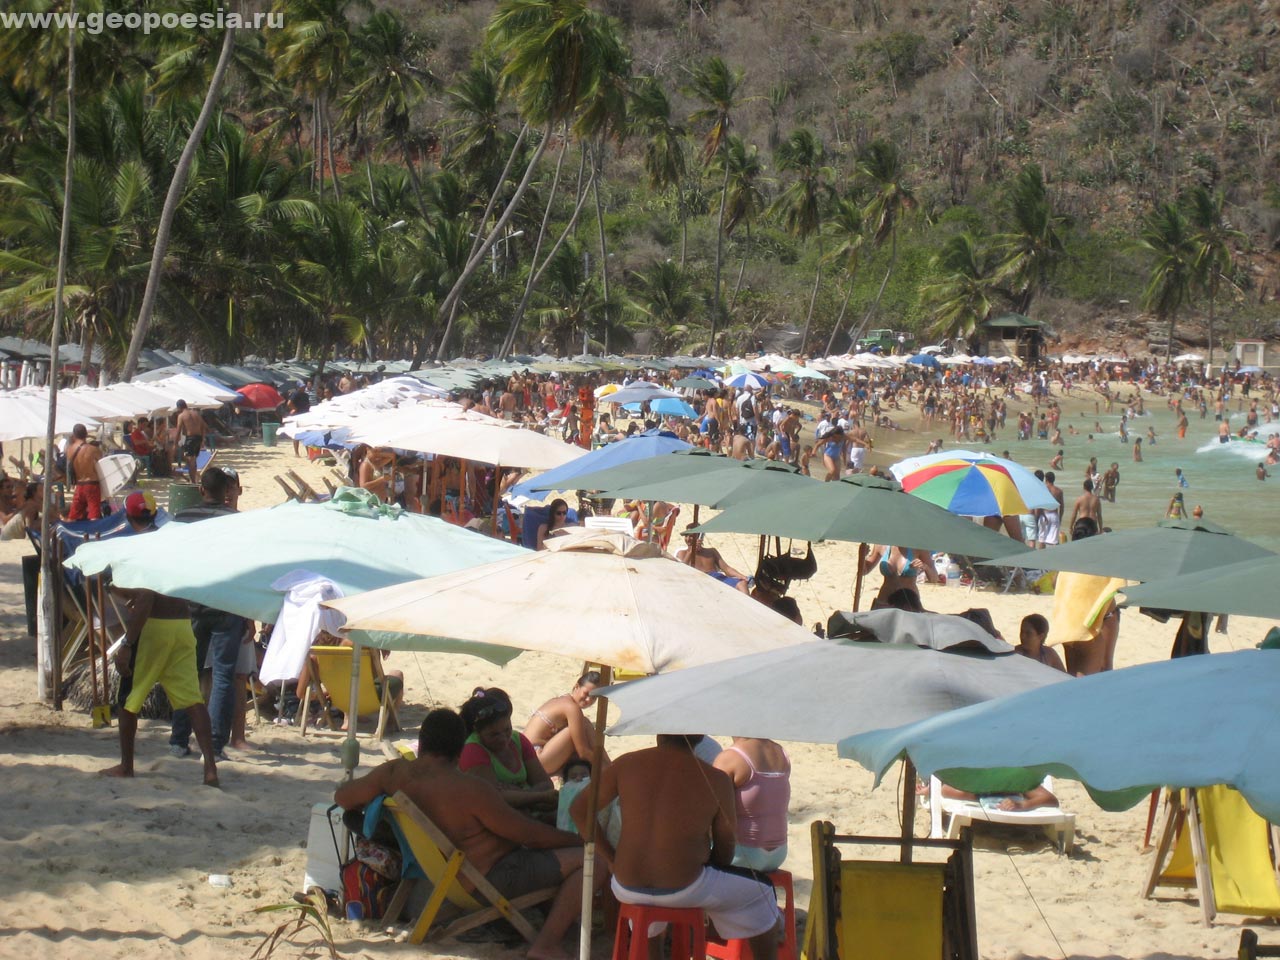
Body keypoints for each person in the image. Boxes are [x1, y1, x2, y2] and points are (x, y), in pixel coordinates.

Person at [336, 709, 600, 960]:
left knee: (549, 850)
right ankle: (547, 944)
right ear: (461, 747)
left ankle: (560, 922)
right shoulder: (471, 789)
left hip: (439, 876)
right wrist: (583, 842)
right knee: (593, 860)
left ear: (423, 741)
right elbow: (531, 837)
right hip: (484, 880)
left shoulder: (394, 773)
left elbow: (343, 797)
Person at [574, 734, 781, 960]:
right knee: (763, 892)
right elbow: (726, 843)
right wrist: (709, 864)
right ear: (700, 737)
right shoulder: (715, 778)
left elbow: (579, 811)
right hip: (685, 886)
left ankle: (655, 955)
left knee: (654, 902)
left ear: (659, 733)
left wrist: (611, 859)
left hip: (625, 886)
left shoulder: (626, 763)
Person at [103, 507, 219, 786]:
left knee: (129, 700)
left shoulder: (150, 551)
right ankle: (210, 769)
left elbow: (146, 599)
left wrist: (127, 643)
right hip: (182, 626)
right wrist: (114, 590)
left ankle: (126, 766)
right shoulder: (175, 552)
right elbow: (152, 593)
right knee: (193, 700)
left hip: (155, 628)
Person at [168, 466, 254, 760]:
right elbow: (244, 569)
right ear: (226, 492)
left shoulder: (182, 519)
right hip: (225, 604)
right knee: (223, 675)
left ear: (201, 489)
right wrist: (247, 613)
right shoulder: (237, 522)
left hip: (191, 604)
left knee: (188, 673)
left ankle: (179, 739)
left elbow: (173, 562)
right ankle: (215, 746)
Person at [459, 687, 558, 816]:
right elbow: (493, 799)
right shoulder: (473, 750)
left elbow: (546, 784)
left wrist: (516, 795)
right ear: (477, 732)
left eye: (507, 730)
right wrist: (538, 796)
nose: (503, 738)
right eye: (494, 735)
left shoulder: (519, 740)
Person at [712, 737, 791, 872]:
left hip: (744, 854)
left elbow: (712, 810)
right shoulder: (781, 753)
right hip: (779, 853)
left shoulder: (730, 758)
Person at [524, 671, 607, 778]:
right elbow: (583, 752)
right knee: (584, 724)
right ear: (576, 687)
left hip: (526, 758)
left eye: (594, 698)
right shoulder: (572, 708)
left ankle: (607, 765)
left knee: (581, 728)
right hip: (536, 759)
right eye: (586, 694)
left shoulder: (561, 700)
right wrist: (601, 763)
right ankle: (608, 766)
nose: (588, 700)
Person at [860, 544, 939, 608]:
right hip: (884, 599)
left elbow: (934, 579)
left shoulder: (918, 547)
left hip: (908, 602)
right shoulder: (881, 545)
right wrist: (862, 556)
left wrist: (925, 567)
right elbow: (863, 571)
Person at [676, 529, 751, 593]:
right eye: (686, 536)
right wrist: (691, 552)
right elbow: (681, 570)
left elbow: (727, 569)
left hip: (716, 578)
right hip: (699, 580)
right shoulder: (682, 553)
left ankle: (750, 608)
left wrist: (743, 577)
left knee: (742, 583)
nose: (688, 539)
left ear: (699, 537)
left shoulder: (711, 551)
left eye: (691, 536)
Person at [65, 423, 103, 520]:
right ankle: (95, 533)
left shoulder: (69, 450)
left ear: (74, 435)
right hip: (92, 484)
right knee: (94, 515)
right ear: (86, 434)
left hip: (79, 484)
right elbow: (103, 463)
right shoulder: (93, 449)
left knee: (73, 515)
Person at [175, 400, 207, 482]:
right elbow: (204, 426)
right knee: (193, 459)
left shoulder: (181, 416)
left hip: (190, 439)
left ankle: (193, 482)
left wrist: (175, 444)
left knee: (190, 460)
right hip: (198, 438)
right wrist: (202, 439)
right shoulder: (196, 413)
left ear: (179, 407)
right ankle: (194, 480)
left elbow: (178, 431)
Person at [1037, 471, 1063, 548]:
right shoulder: (1059, 491)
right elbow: (1062, 506)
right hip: (1054, 515)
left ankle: (1040, 557)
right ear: (1054, 479)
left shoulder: (1042, 489)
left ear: (1046, 479)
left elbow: (1039, 504)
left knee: (1041, 539)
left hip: (1043, 514)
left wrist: (1038, 516)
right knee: (1053, 541)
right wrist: (1060, 518)